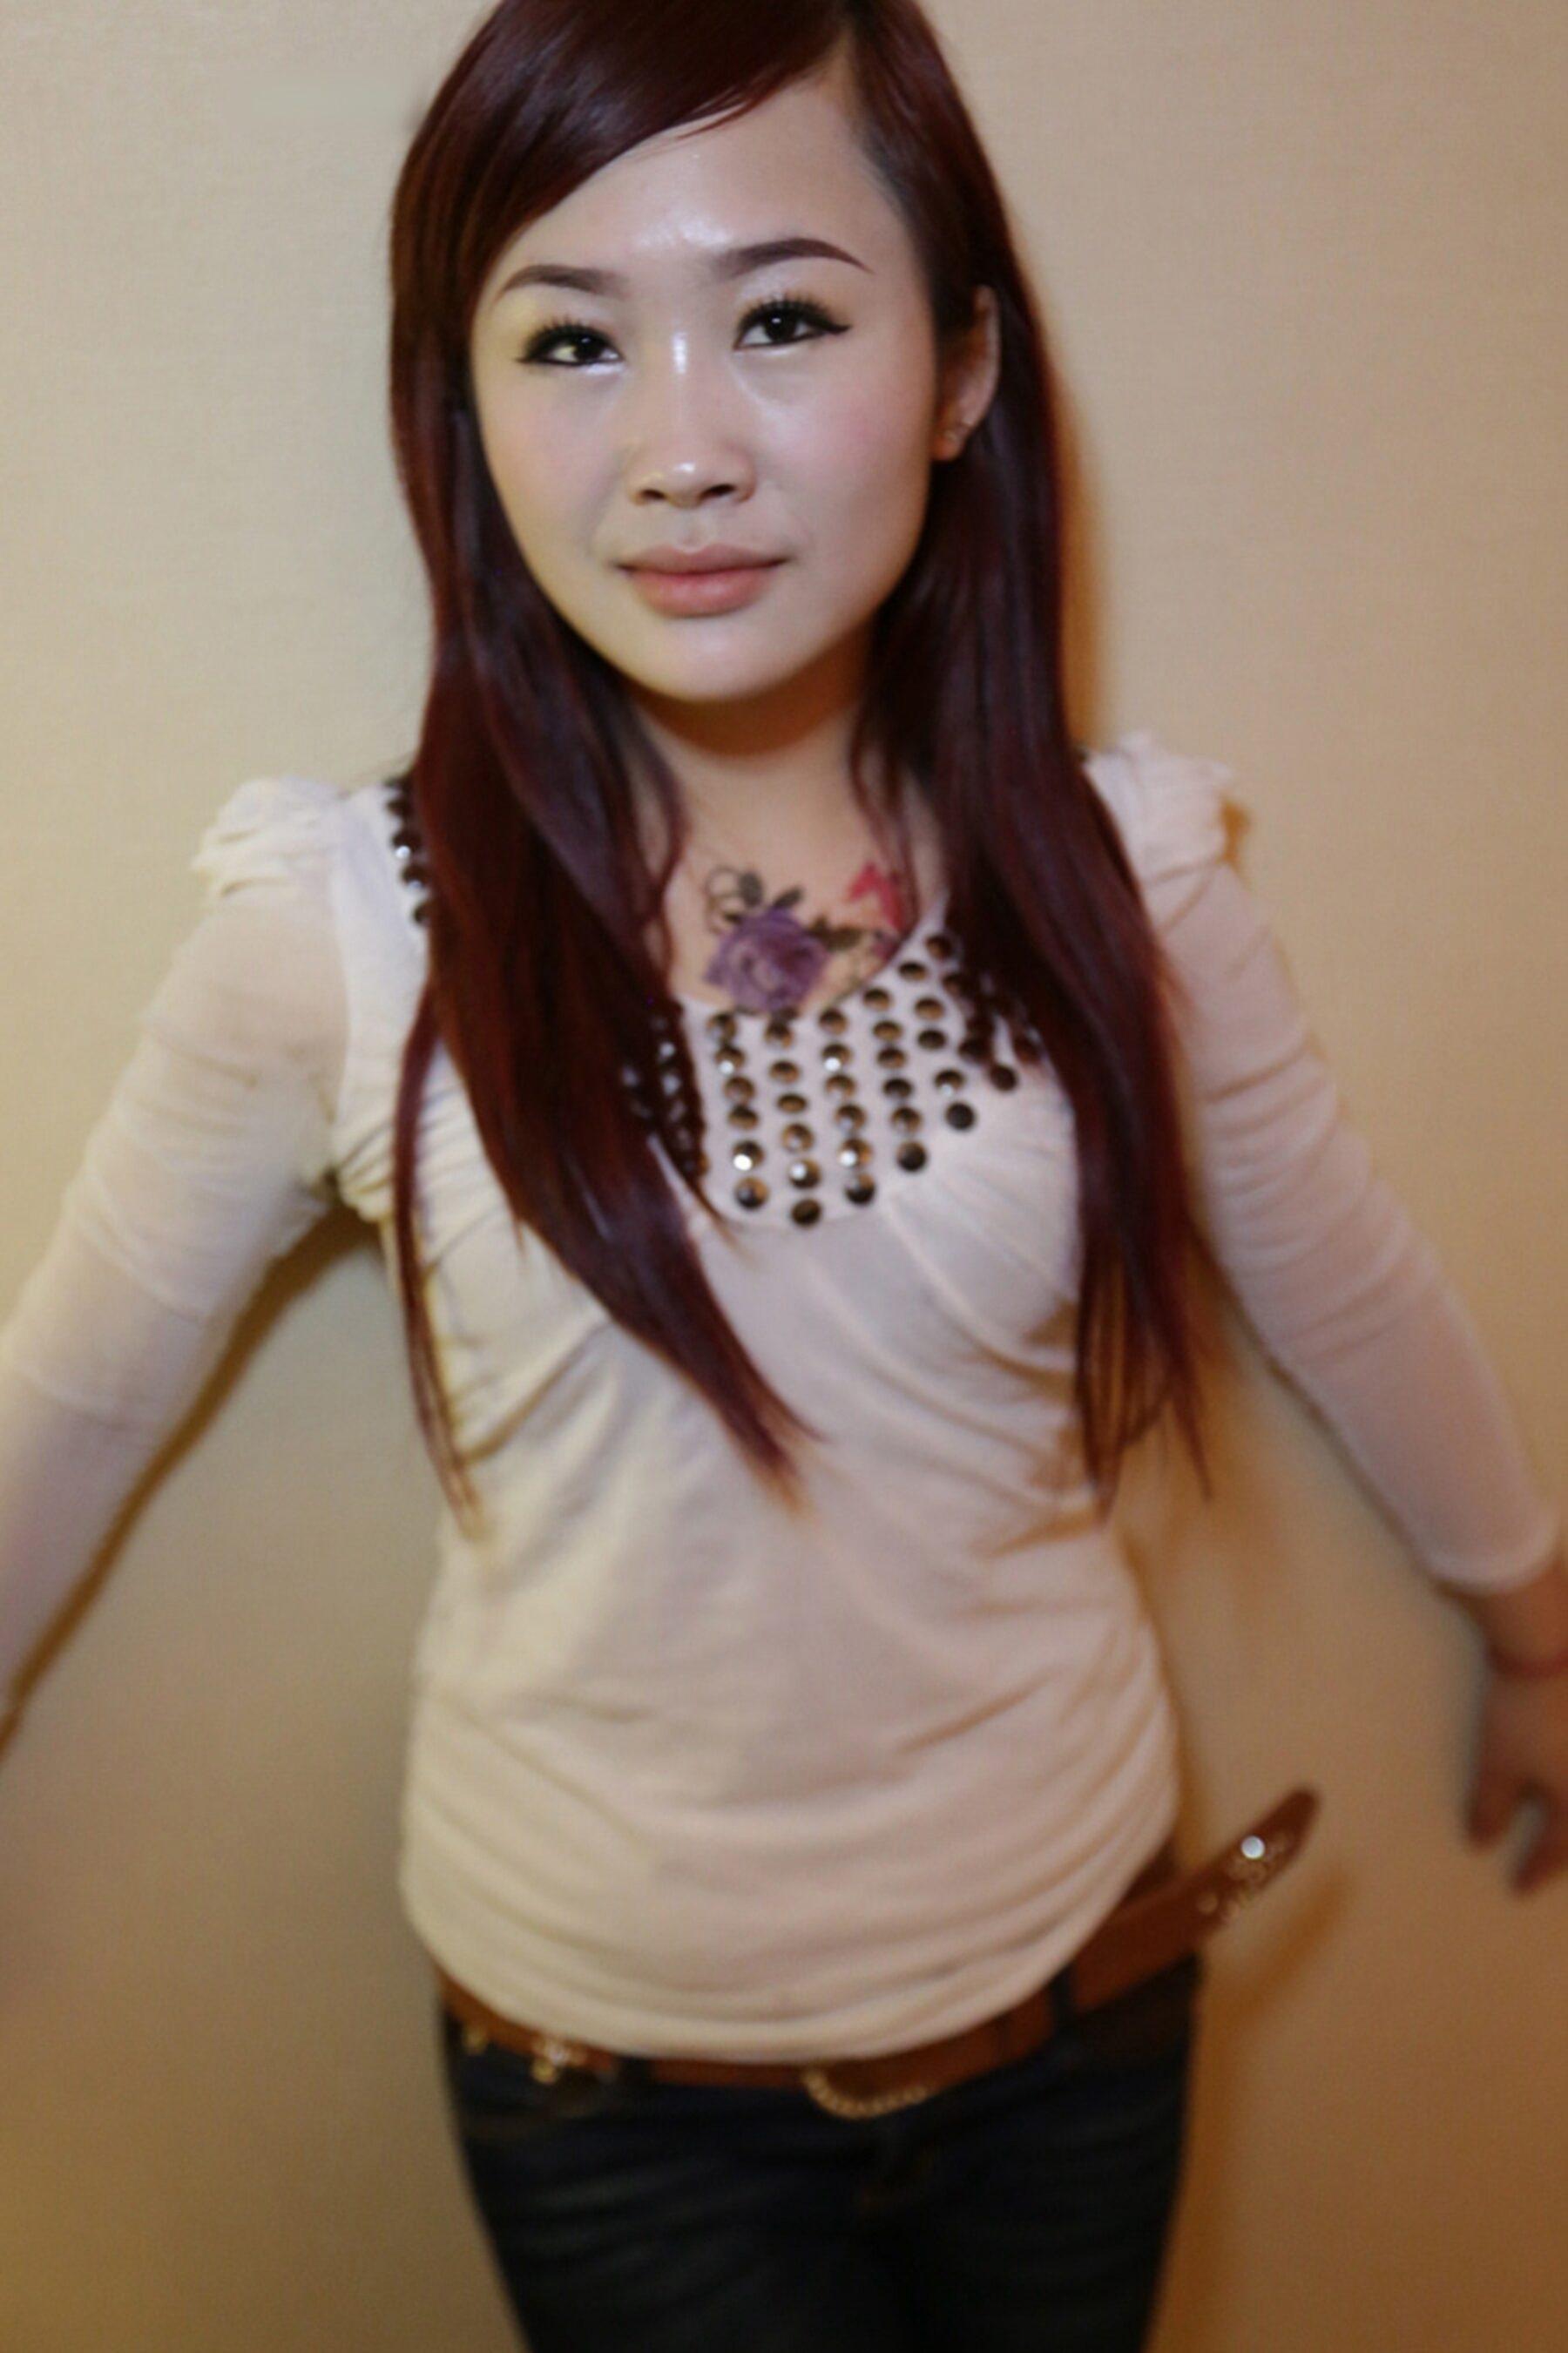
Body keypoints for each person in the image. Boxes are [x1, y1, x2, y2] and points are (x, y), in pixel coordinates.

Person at [1, 3, 1563, 2347]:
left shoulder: (1124, 887)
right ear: (462, 408)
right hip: (610, 2101)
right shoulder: (333, 939)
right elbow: (79, 1391)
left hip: (1087, 2009)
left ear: (960, 370)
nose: (682, 451)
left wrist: (1534, 1628)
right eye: (570, 342)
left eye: (786, 320)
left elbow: (1344, 1274)